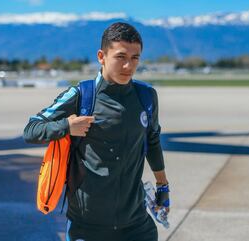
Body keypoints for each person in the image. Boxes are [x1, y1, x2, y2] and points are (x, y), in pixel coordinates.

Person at [23, 22, 170, 241]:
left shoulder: (146, 96)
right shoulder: (81, 95)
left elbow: (153, 140)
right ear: (101, 56)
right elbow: (31, 129)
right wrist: (66, 127)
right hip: (87, 225)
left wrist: (162, 185)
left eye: (135, 58)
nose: (128, 66)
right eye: (121, 57)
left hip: (136, 223)